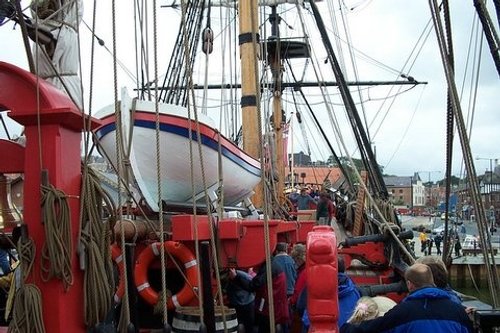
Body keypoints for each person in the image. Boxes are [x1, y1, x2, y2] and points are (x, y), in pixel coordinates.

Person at [340, 263, 473, 333]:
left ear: (409, 284)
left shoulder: (403, 312)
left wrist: (346, 328)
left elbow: (374, 328)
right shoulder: (458, 312)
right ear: (432, 281)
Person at [229, 259, 289, 333]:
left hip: (269, 308)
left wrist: (236, 277)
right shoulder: (273, 265)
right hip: (274, 307)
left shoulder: (269, 268)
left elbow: (253, 286)